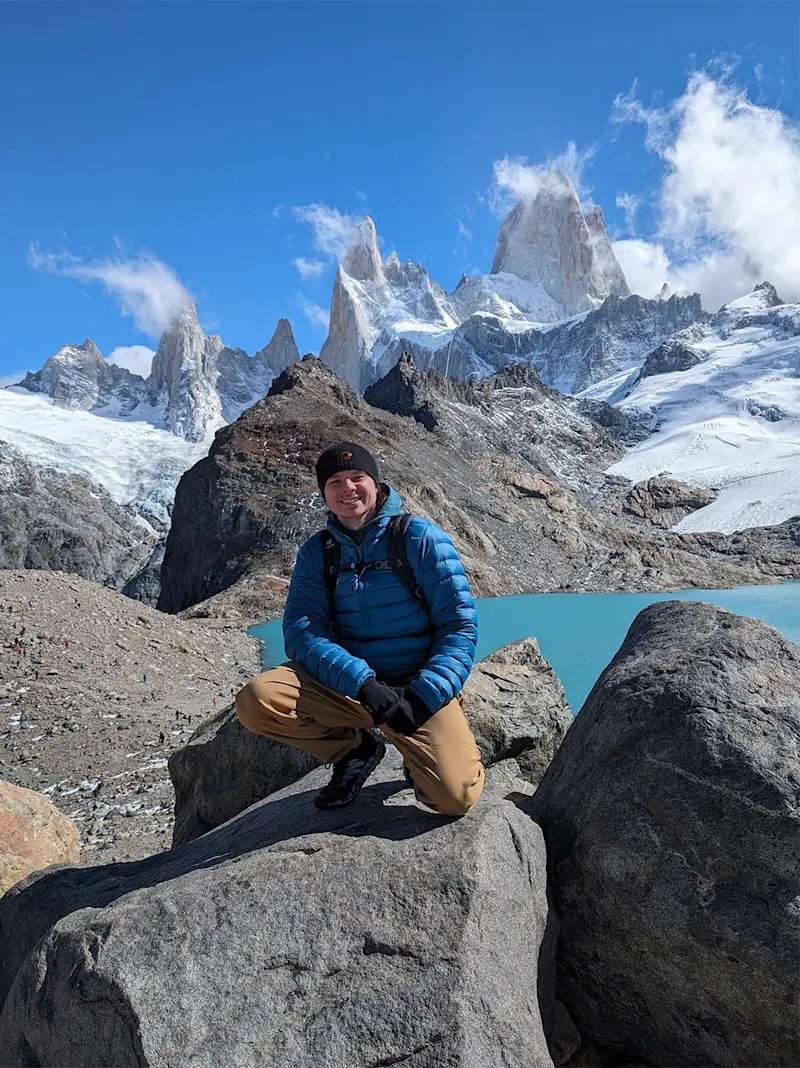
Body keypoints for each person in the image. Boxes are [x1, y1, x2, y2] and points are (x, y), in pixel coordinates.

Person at [236, 440, 484, 814]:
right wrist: (362, 684)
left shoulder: (419, 538)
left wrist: (423, 697)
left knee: (455, 797)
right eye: (335, 481)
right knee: (257, 701)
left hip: (416, 688)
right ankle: (355, 749)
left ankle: (420, 749)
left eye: (357, 478)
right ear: (324, 493)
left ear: (376, 484)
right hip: (352, 689)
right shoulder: (317, 552)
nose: (348, 489)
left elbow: (459, 626)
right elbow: (303, 633)